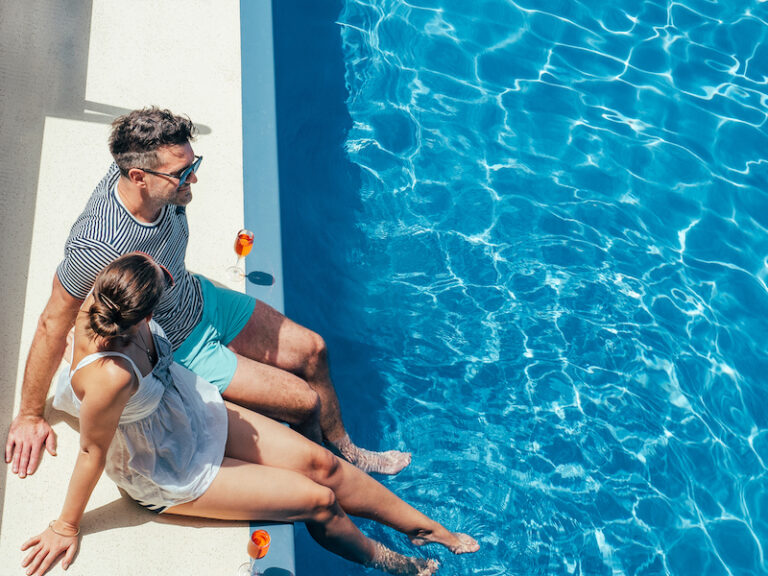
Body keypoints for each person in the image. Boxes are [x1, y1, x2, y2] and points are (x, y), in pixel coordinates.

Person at [6, 107, 410, 478]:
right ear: (137, 177)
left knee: (314, 350)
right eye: (182, 173)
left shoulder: (157, 183)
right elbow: (51, 322)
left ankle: (347, 450)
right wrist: (27, 415)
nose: (193, 178)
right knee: (305, 402)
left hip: (199, 298)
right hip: (179, 346)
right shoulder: (98, 247)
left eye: (192, 164)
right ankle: (328, 470)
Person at [19, 253, 478, 576]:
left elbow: (131, 293)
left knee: (323, 463)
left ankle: (424, 529)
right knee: (317, 499)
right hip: (164, 463)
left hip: (186, 408)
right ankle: (390, 561)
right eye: (164, 288)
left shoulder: (109, 295)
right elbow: (91, 452)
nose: (171, 281)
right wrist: (65, 526)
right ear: (142, 317)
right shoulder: (110, 378)